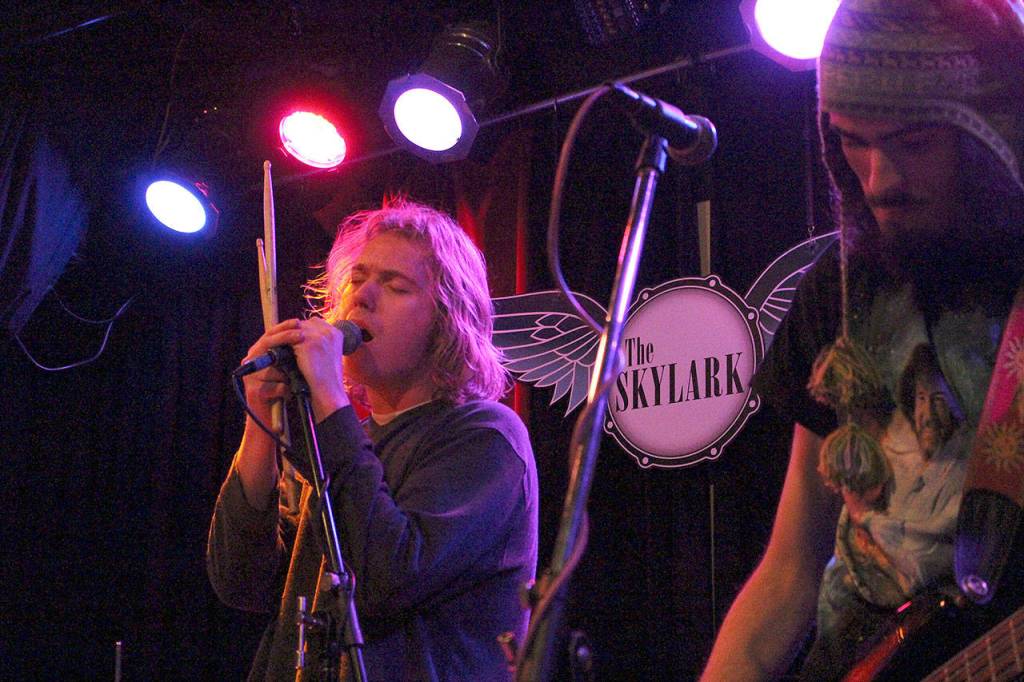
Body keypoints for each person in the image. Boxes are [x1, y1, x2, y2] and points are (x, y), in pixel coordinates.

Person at [702, 0, 1024, 679]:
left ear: (995, 135)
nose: (878, 183)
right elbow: (790, 568)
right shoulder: (842, 286)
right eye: (853, 141)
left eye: (914, 144)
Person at [207, 198, 539, 681]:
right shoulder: (340, 442)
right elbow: (241, 583)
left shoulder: (486, 437)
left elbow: (384, 579)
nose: (361, 296)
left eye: (395, 285)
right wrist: (260, 421)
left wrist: (326, 394)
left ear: (447, 320)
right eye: (357, 279)